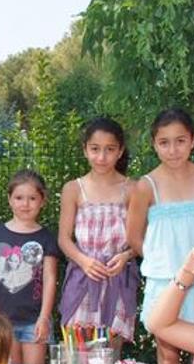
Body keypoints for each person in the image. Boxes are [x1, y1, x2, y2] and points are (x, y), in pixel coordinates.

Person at [127, 109, 194, 364]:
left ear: (193, 140)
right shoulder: (146, 186)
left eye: (180, 141)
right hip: (165, 283)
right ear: (154, 144)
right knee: (168, 359)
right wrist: (159, 262)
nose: (173, 150)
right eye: (164, 142)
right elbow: (134, 236)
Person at [58, 117, 139, 348]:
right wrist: (84, 261)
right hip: (83, 278)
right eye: (95, 149)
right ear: (85, 149)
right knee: (77, 351)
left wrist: (125, 256)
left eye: (110, 149)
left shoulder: (133, 188)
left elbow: (141, 239)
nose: (102, 157)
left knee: (110, 354)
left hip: (118, 279)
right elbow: (63, 238)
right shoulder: (73, 189)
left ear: (120, 151)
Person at [0, 169, 59, 364]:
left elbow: (49, 279)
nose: (25, 204)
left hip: (34, 321)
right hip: (2, 321)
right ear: (9, 199)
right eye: (19, 198)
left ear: (42, 201)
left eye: (32, 198)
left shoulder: (46, 238)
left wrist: (44, 318)